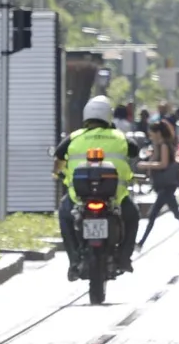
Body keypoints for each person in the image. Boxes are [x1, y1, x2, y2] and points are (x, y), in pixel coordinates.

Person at [56, 95, 140, 277]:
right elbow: (135, 151)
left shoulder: (74, 137)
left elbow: (58, 155)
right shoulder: (120, 137)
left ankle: (74, 260)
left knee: (64, 215)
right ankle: (124, 257)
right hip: (115, 198)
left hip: (79, 197)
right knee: (132, 217)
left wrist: (57, 173)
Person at [138, 104, 179, 254]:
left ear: (158, 133)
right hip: (166, 186)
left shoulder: (164, 146)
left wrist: (146, 164)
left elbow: (163, 164)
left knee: (153, 215)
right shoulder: (160, 145)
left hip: (166, 187)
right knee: (175, 214)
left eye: (152, 133)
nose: (150, 136)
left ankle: (141, 243)